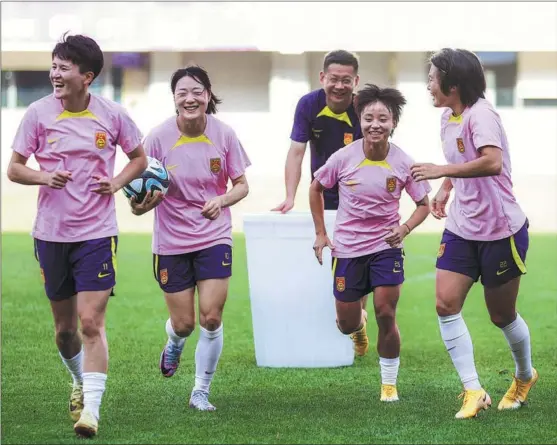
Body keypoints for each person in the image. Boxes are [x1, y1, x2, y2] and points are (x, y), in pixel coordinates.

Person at [7, 33, 148, 438]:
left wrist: (118, 182)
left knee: (91, 322)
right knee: (65, 330)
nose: (54, 73)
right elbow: (14, 168)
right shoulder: (36, 113)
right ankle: (77, 379)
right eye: (53, 65)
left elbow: (138, 158)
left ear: (86, 76)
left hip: (98, 234)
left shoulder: (113, 115)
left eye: (63, 67)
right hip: (51, 235)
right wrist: (44, 175)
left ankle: (92, 411)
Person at [411, 48, 538, 419]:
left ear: (453, 84)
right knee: (445, 304)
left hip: (500, 229)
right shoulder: (448, 117)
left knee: (502, 315)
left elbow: (491, 161)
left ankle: (525, 376)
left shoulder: (482, 114)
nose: (428, 86)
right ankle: (473, 390)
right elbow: (462, 161)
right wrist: (446, 188)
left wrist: (438, 170)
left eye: (433, 79)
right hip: (462, 227)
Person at [129, 65, 251, 412]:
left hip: (214, 237)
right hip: (171, 242)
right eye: (182, 92)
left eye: (197, 91)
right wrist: (141, 207)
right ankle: (174, 342)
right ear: (174, 99)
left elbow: (241, 184)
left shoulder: (224, 134)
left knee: (211, 318)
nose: (190, 98)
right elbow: (136, 196)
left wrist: (222, 199)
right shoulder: (156, 138)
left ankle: (201, 390)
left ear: (208, 96)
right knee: (184, 325)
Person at [309, 84, 431, 401]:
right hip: (348, 250)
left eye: (382, 118)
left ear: (393, 123)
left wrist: (404, 229)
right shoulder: (344, 157)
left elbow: (423, 204)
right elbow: (316, 187)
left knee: (386, 313)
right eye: (368, 118)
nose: (375, 124)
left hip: (385, 249)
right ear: (359, 120)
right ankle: (358, 328)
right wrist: (322, 232)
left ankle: (388, 384)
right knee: (345, 324)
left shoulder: (403, 162)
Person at [272, 50, 371, 356]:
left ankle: (358, 322)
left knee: (357, 263)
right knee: (327, 266)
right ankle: (352, 321)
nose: (339, 86)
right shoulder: (309, 105)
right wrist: (290, 195)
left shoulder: (363, 108)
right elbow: (297, 152)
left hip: (358, 199)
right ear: (322, 78)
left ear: (355, 81)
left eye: (346, 80)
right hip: (321, 194)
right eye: (333, 79)